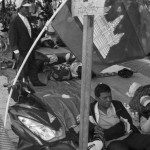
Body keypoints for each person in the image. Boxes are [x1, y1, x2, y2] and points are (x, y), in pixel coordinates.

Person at [89, 83, 150, 150]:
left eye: (110, 96)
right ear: (97, 98)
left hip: (128, 136)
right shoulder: (91, 110)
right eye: (105, 98)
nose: (109, 100)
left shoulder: (117, 104)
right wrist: (119, 127)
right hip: (111, 142)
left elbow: (128, 123)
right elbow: (94, 132)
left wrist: (106, 132)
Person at [9, 0, 46, 86]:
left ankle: (35, 81)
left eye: (28, 7)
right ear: (20, 8)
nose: (28, 9)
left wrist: (44, 29)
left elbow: (32, 33)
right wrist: (16, 52)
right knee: (23, 69)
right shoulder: (14, 22)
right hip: (21, 50)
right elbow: (12, 38)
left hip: (30, 48)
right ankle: (21, 85)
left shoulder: (28, 19)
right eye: (26, 7)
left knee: (33, 66)